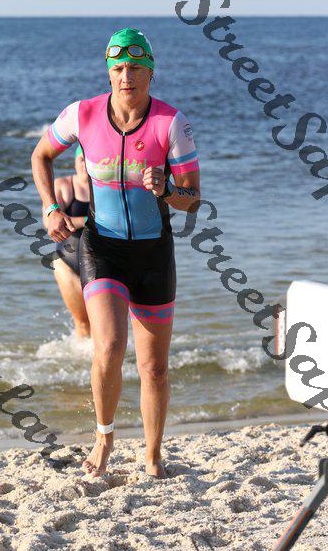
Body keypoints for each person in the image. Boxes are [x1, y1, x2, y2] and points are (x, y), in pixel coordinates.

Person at [31, 27, 201, 479]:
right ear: (109, 73)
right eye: (119, 68)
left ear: (150, 72)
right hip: (102, 247)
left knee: (154, 368)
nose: (127, 76)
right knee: (107, 346)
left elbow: (193, 200)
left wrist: (167, 189)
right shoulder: (82, 114)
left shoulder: (171, 123)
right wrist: (49, 208)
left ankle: (153, 455)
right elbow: (41, 155)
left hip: (153, 252)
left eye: (135, 68)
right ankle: (104, 438)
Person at [42, 145, 91, 339]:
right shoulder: (63, 185)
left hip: (101, 262)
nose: (86, 165)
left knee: (104, 323)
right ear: (75, 163)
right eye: (81, 160)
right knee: (82, 321)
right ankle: (82, 356)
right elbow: (50, 223)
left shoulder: (106, 189)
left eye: (90, 160)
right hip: (67, 263)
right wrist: (89, 221)